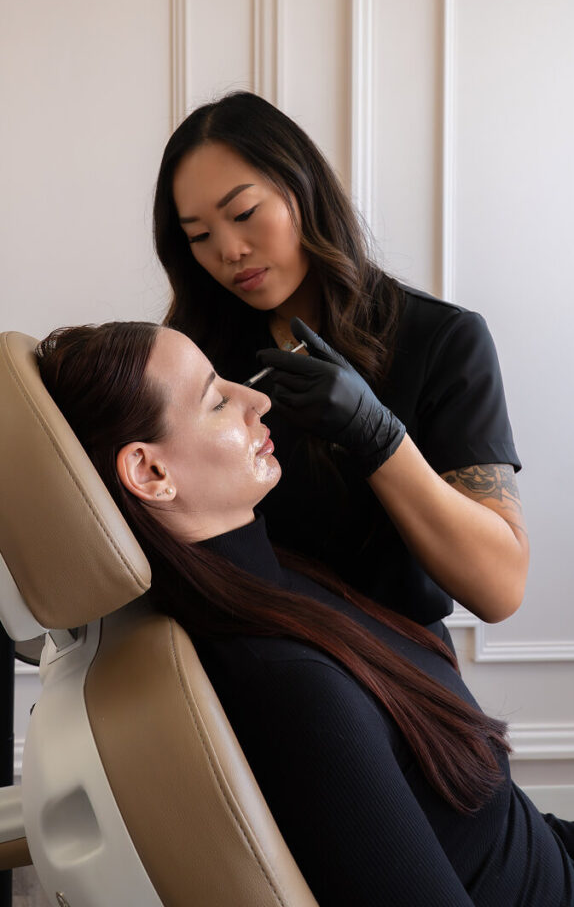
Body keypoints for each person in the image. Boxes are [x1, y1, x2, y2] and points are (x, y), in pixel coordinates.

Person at [37, 321, 574, 907]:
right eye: (216, 400)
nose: (259, 400)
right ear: (151, 473)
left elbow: (502, 833)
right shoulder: (291, 686)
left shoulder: (281, 587)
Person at [153, 91, 529, 646]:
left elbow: (500, 589)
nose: (229, 250)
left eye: (244, 213)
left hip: (392, 668)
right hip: (246, 659)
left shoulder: (442, 340)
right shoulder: (197, 357)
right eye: (200, 237)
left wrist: (377, 437)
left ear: (301, 187)